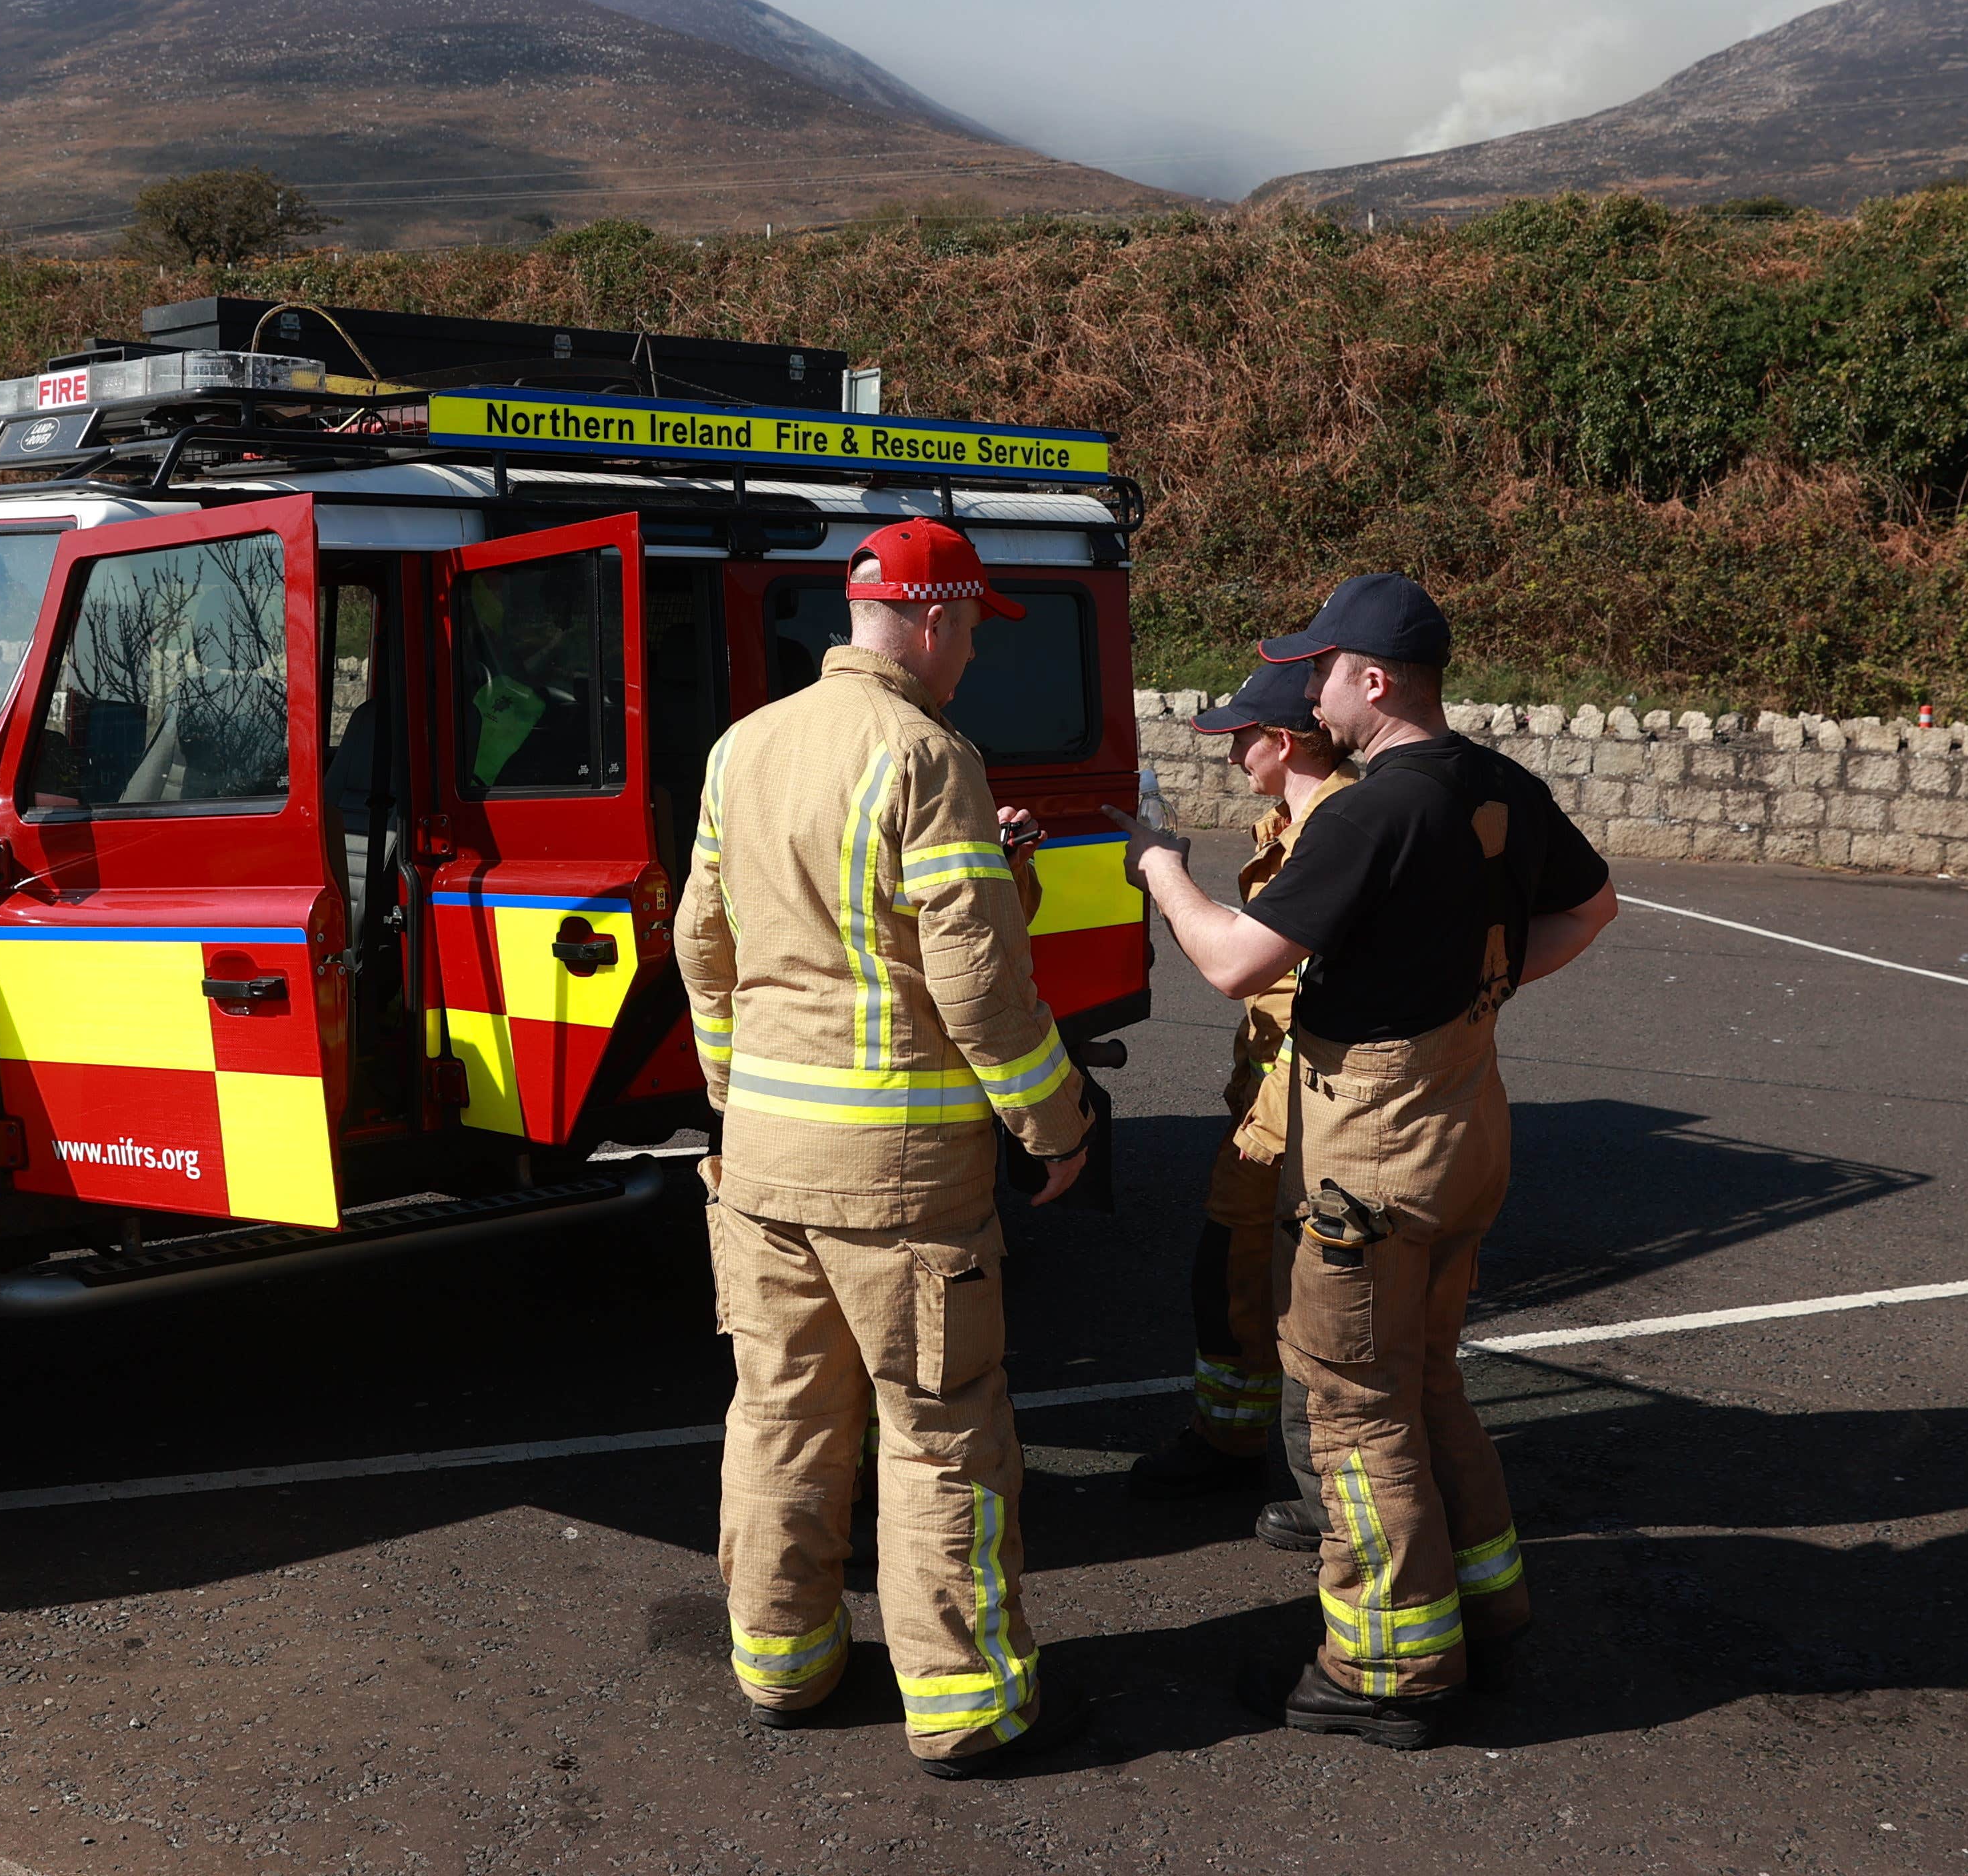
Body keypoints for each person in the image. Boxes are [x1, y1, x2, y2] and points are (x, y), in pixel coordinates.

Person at [1113, 573, 1616, 1749]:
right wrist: (1478, 990)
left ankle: (1387, 1668)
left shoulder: (1369, 808)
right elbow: (1590, 909)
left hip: (1370, 1161)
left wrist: (1157, 869)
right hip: (1464, 1126)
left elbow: (1238, 960)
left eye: (1321, 669)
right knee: (1428, 1377)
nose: (1309, 690)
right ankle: (1486, 1605)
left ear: (1373, 680)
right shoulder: (1498, 783)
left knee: (1352, 1408)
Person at [674, 515, 1100, 1777]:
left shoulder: (742, 746)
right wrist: (1053, 1121)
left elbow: (705, 938)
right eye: (969, 628)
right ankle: (967, 1701)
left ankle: (782, 1663)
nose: (971, 654)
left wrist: (731, 1087)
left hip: (758, 1164)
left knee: (779, 1414)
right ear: (929, 617)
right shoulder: (928, 753)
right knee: (940, 1430)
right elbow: (973, 982)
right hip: (899, 1177)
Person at [1127, 659, 1355, 1507]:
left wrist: (1161, 872)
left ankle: (1310, 1482)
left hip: (1308, 1121)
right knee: (1230, 1284)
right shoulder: (1289, 826)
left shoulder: (1335, 832)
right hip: (1268, 1111)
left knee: (1305, 1308)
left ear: (1286, 740)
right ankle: (1231, 1442)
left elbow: (1237, 966)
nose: (1231, 759)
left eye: (1241, 740)